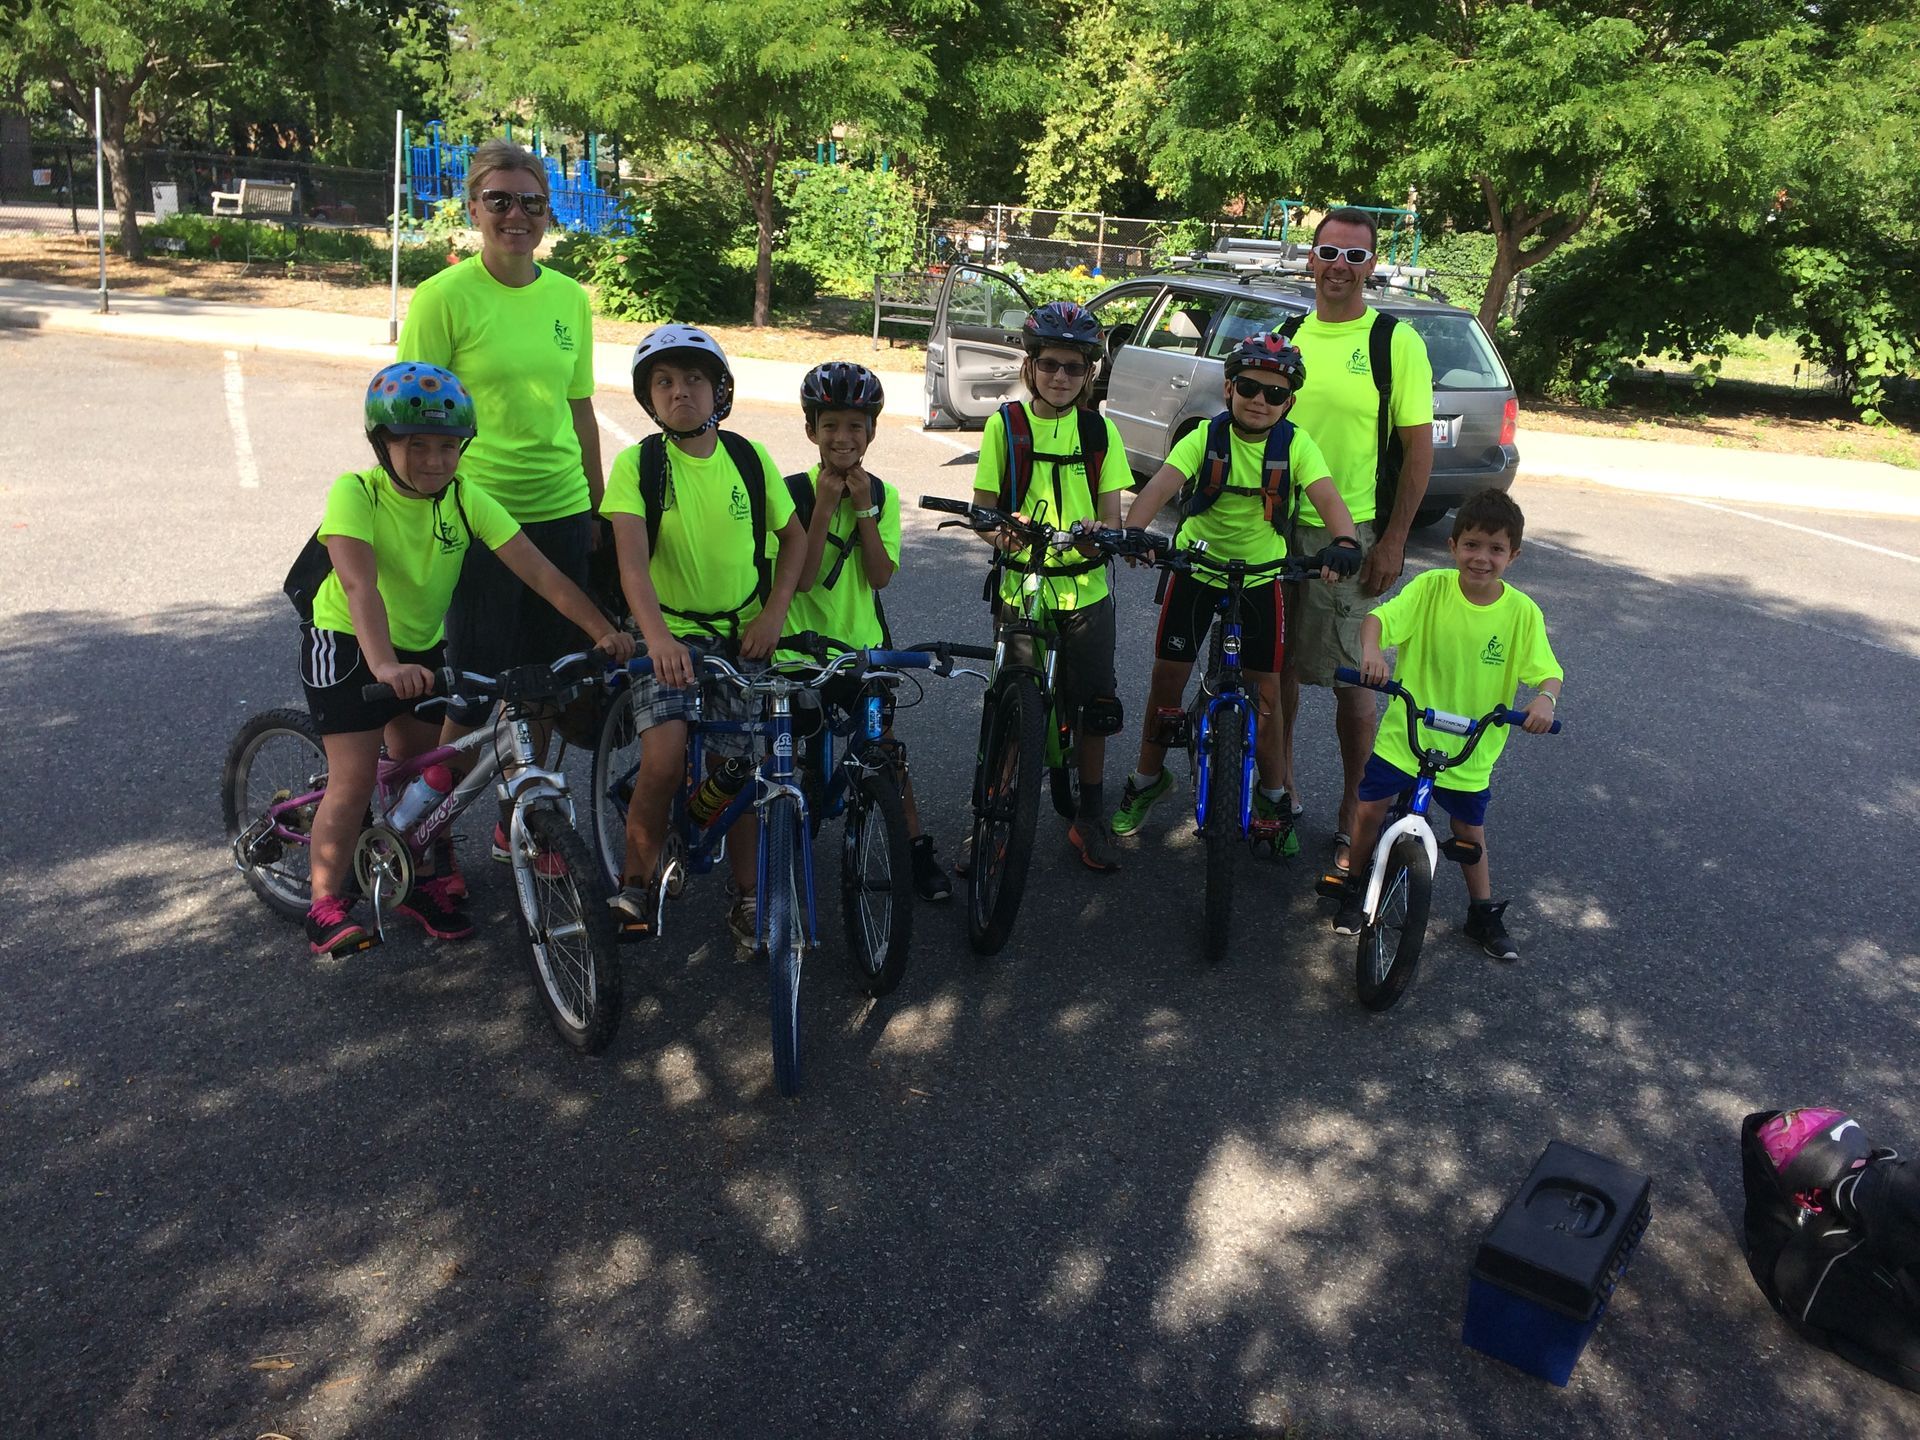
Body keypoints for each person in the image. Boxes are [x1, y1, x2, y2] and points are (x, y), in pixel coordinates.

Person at [299, 364, 632, 957]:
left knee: (426, 775)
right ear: (383, 444)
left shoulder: (464, 496)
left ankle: (418, 878)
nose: (435, 459)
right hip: (348, 644)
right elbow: (359, 588)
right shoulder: (357, 491)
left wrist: (602, 630)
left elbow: (539, 571)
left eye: (448, 447)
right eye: (416, 445)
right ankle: (324, 902)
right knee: (352, 782)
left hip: (418, 650)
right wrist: (383, 665)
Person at [396, 137, 602, 892]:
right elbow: (413, 413)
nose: (516, 215)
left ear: (549, 211)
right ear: (474, 207)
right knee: (476, 685)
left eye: (531, 202)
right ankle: (421, 821)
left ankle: (523, 816)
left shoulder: (570, 298)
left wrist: (598, 504)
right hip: (479, 516)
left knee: (548, 683)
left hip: (561, 509)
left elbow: (579, 407)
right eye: (500, 201)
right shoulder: (443, 298)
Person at [600, 325, 810, 949]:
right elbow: (631, 564)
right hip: (667, 631)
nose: (679, 392)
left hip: (742, 633)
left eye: (693, 379)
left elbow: (794, 538)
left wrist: (773, 613)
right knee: (664, 757)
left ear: (719, 391)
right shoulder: (638, 464)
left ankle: (746, 896)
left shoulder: (747, 457)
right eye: (663, 382)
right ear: (648, 397)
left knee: (742, 768)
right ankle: (636, 881)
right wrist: (658, 639)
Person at [1111, 333, 1362, 850]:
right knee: (1167, 682)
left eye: (1275, 394)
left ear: (1289, 402)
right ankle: (1147, 778)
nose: (1260, 400)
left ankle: (1272, 797)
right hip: (1195, 571)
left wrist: (1344, 542)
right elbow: (1158, 487)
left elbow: (1330, 500)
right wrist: (1136, 533)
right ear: (1228, 388)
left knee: (1266, 694)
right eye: (1249, 387)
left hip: (1261, 579)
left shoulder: (1296, 444)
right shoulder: (1204, 437)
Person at [1275, 206, 1436, 884]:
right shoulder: (1285, 335)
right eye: (1328, 253)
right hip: (1267, 526)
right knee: (1273, 667)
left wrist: (1392, 539)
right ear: (1309, 259)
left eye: (1355, 256)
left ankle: (1356, 812)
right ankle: (1278, 798)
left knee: (1349, 680)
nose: (1339, 266)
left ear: (1374, 265)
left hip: (1346, 532)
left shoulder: (1393, 341)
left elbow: (1417, 448)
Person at [1331, 488, 1563, 961]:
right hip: (1408, 733)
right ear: (1453, 546)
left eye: (1496, 549)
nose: (1482, 558)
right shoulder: (1431, 588)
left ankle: (1482, 913)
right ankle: (1355, 884)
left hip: (1471, 745)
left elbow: (1547, 671)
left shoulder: (1522, 613)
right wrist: (1372, 654)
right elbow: (1378, 620)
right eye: (1473, 545)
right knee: (1370, 807)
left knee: (1469, 832)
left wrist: (1544, 700)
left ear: (1512, 556)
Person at [968, 300, 1132, 872]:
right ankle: (991, 817)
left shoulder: (1099, 430)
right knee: (1010, 705)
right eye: (1050, 365)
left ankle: (1088, 816)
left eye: (1074, 367)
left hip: (1084, 590)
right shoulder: (1004, 426)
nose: (1061, 377)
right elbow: (983, 511)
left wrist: (1101, 536)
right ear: (1030, 365)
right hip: (1022, 586)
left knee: (1093, 708)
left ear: (1089, 374)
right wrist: (1002, 538)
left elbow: (1112, 518)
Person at [782, 361, 955, 901]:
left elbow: (880, 574)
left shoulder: (880, 494)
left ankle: (916, 849)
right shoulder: (789, 493)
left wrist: (861, 510)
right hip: (798, 652)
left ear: (872, 433)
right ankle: (789, 834)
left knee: (884, 753)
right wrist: (824, 505)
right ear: (811, 430)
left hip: (861, 649)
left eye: (856, 426)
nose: (843, 437)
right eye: (830, 425)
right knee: (795, 760)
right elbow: (804, 579)